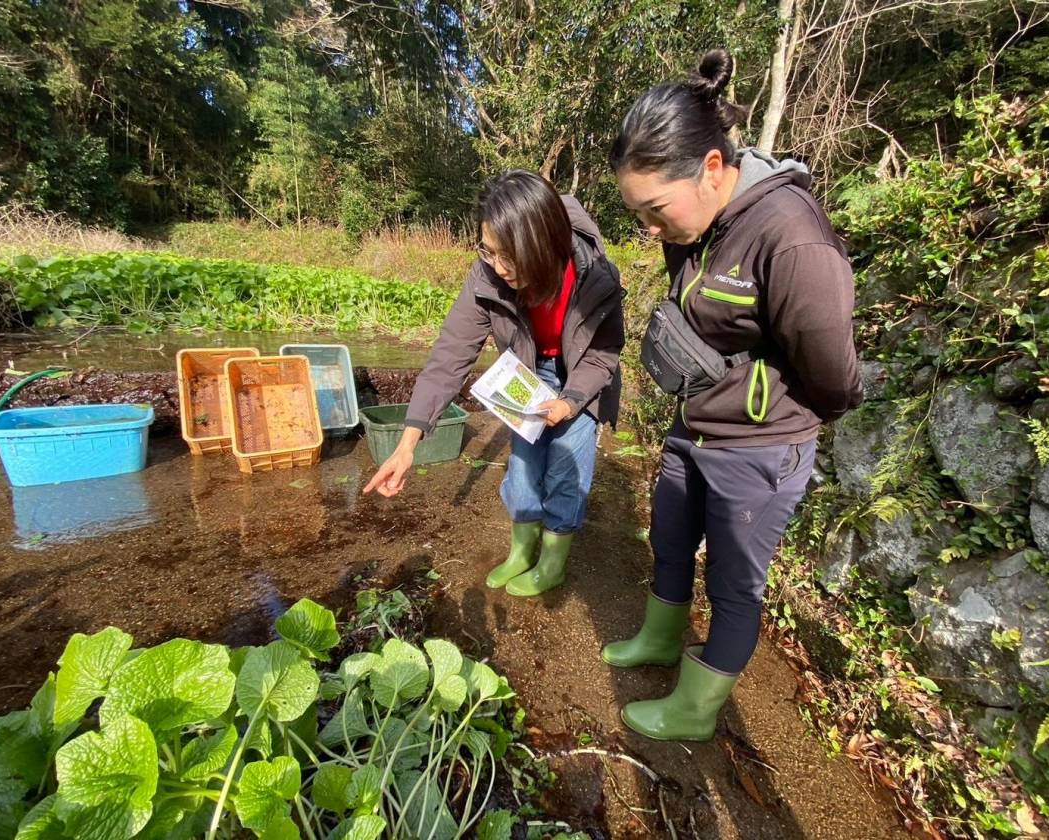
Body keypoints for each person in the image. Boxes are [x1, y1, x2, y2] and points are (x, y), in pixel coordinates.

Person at [601, 48, 863, 740]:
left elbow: (833, 374)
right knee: (670, 537)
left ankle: (693, 710)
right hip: (696, 426)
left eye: (656, 210)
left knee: (734, 585)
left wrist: (777, 415)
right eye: (638, 215)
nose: (651, 231)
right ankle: (660, 640)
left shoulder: (792, 238)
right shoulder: (697, 222)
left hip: (761, 447)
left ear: (713, 168)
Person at [363, 170, 625, 597]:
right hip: (529, 368)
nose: (500, 268)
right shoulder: (488, 274)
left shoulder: (595, 274)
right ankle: (522, 551)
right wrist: (408, 443)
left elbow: (603, 353)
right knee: (524, 461)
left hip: (580, 374)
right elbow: (451, 352)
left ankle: (553, 562)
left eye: (511, 257)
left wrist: (572, 400)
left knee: (566, 466)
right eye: (490, 251)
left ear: (547, 247)